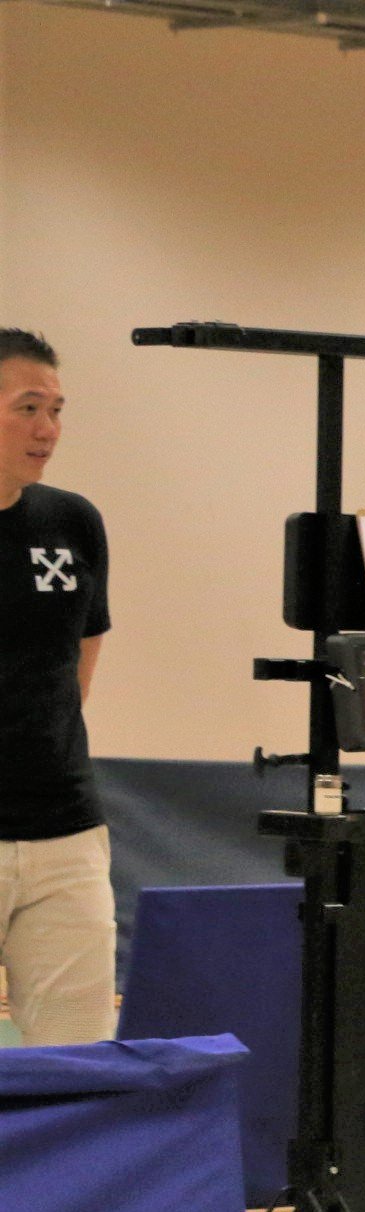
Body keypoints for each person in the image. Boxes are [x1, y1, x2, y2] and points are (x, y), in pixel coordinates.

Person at [0, 328, 117, 1047]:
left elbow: (80, 657)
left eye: (58, 410)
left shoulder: (72, 523)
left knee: (78, 1062)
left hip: (65, 833)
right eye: (28, 408)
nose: (48, 430)